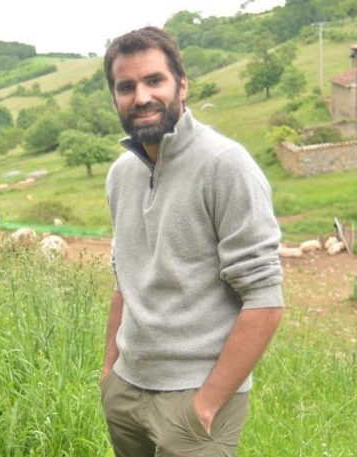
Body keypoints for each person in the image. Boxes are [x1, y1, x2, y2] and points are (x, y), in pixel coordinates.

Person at [100, 26, 284, 456]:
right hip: (127, 391)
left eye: (154, 80)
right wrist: (109, 373)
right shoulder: (120, 175)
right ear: (114, 97)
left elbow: (265, 299)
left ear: (182, 85)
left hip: (195, 397)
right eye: (126, 86)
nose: (141, 96)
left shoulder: (226, 165)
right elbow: (123, 280)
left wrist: (206, 405)